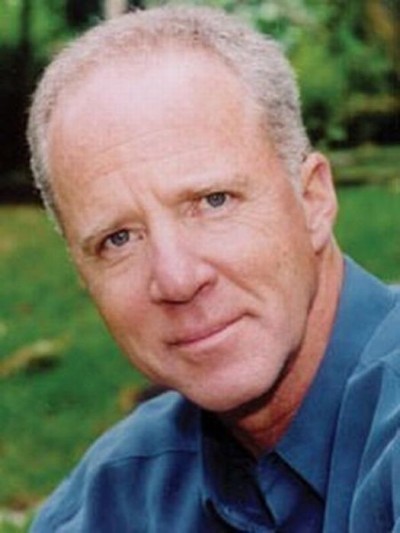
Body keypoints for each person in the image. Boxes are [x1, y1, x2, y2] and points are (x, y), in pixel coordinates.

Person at [27, 6, 400, 532]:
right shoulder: (113, 500)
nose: (177, 279)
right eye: (119, 239)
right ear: (83, 274)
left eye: (213, 201)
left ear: (313, 200)